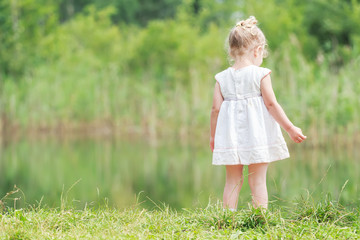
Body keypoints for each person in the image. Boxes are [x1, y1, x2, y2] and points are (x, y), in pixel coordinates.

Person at [209, 16, 307, 210]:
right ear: (258, 50)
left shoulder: (221, 78)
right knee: (258, 181)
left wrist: (213, 136)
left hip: (230, 137)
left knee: (232, 180)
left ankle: (228, 219)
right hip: (257, 135)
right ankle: (260, 218)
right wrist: (290, 128)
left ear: (231, 50)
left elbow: (216, 109)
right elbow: (271, 104)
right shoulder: (260, 74)